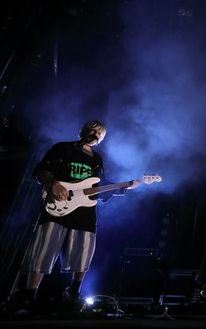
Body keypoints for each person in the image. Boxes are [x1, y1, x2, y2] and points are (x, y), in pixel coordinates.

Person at [21, 120, 139, 308]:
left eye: (100, 134)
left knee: (83, 252)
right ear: (84, 131)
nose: (96, 136)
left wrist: (125, 186)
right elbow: (40, 171)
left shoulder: (97, 159)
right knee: (44, 250)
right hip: (57, 206)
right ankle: (28, 297)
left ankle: (74, 292)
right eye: (93, 131)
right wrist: (54, 183)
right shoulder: (63, 148)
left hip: (84, 212)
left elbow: (98, 186)